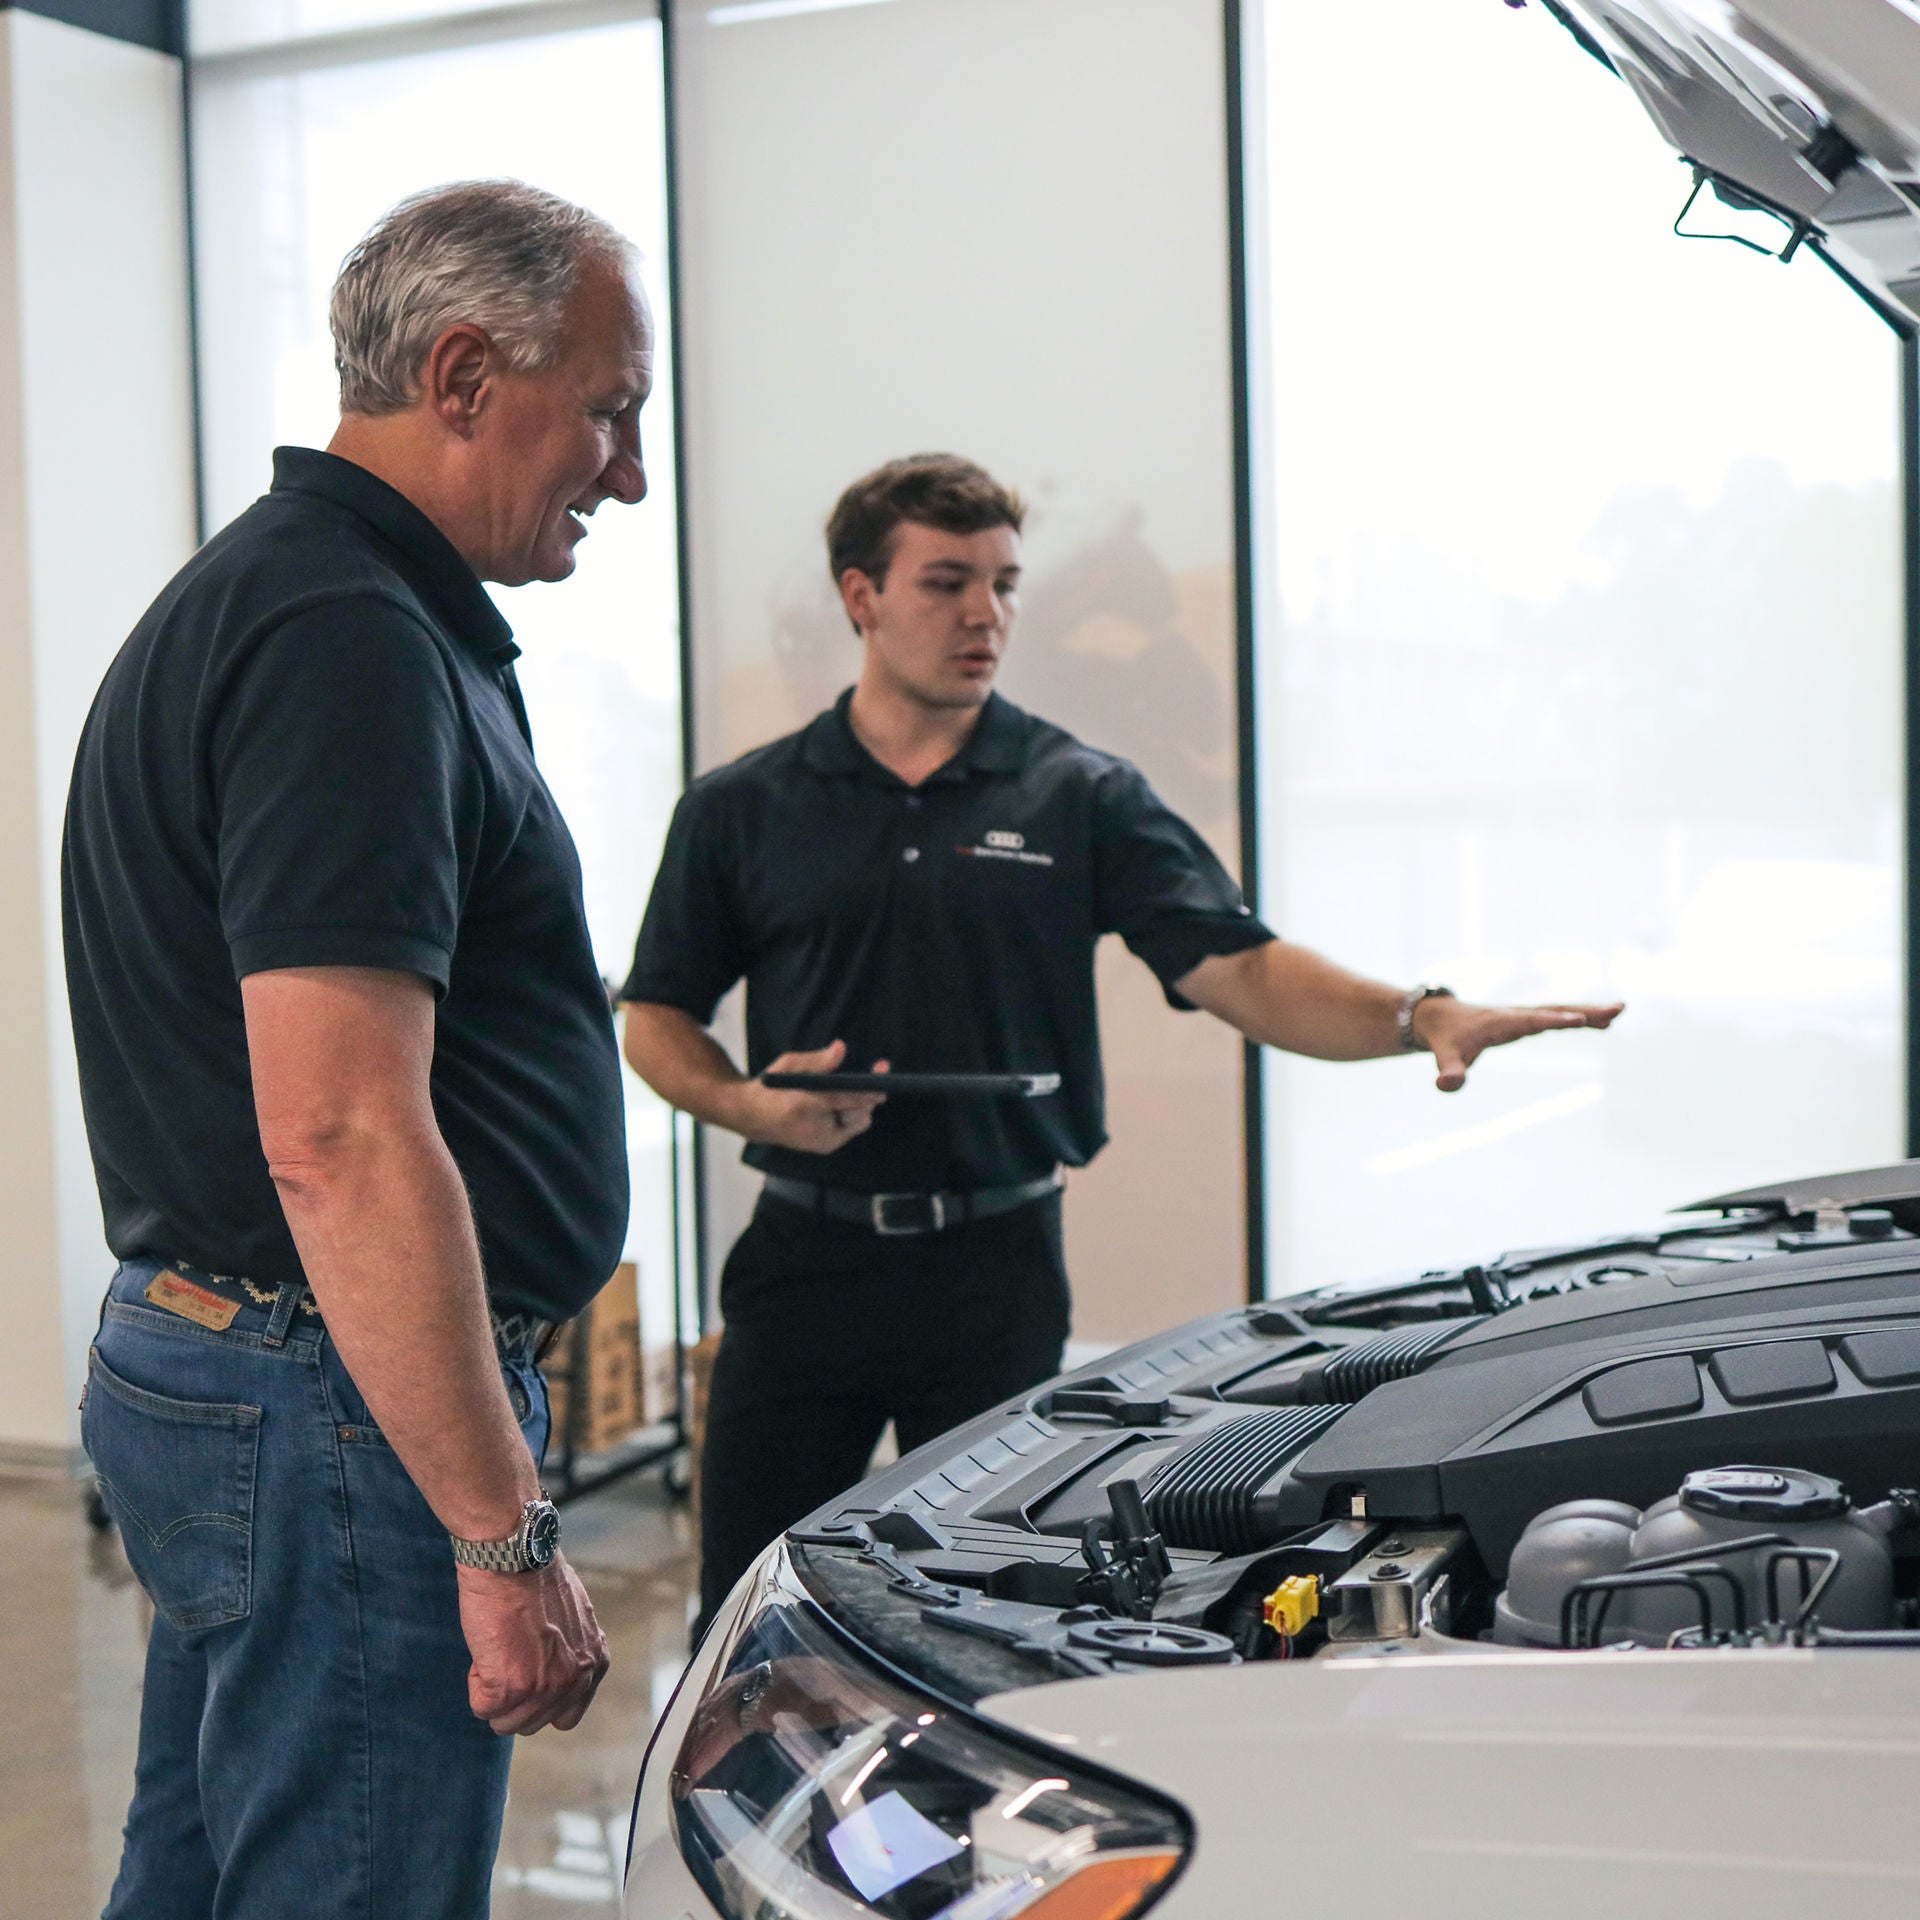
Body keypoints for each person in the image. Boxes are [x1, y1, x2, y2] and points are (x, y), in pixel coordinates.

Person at [621, 452, 1625, 1633]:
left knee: (983, 1610)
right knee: (751, 1608)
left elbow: (1244, 970)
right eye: (947, 583)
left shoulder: (1076, 793)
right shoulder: (743, 807)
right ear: (860, 598)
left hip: (993, 1275)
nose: (985, 614)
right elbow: (656, 1017)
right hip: (803, 1269)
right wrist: (751, 1107)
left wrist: (1419, 1013)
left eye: (1003, 584)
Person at [64, 181, 652, 1917]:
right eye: (609, 411)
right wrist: (500, 1533)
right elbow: (335, 1131)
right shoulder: (343, 642)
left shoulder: (316, 604)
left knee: (207, 1868)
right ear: (464, 375)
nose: (625, 471)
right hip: (336, 1401)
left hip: (265, 1371)